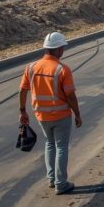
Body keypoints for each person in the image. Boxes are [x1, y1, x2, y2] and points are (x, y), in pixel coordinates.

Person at [19, 32, 82, 195]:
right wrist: (77, 114)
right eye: (63, 48)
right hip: (60, 115)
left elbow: (23, 90)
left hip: (41, 115)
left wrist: (22, 111)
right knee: (61, 147)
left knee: (49, 144)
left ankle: (52, 179)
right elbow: (70, 95)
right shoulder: (62, 69)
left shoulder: (31, 67)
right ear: (58, 49)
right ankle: (61, 183)